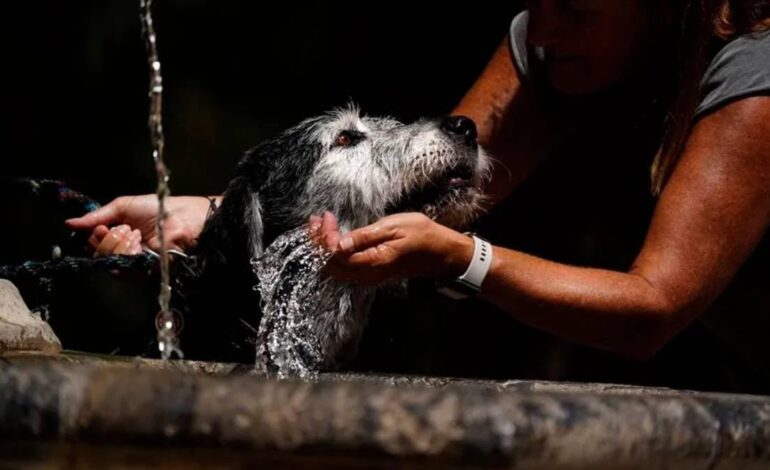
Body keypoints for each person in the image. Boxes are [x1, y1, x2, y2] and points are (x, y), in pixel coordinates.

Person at [67, 1, 770, 389]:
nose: (544, 30)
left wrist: (461, 261)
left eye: (577, 9)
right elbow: (420, 180)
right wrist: (211, 215)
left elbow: (652, 310)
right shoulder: (558, 37)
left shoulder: (756, 68)